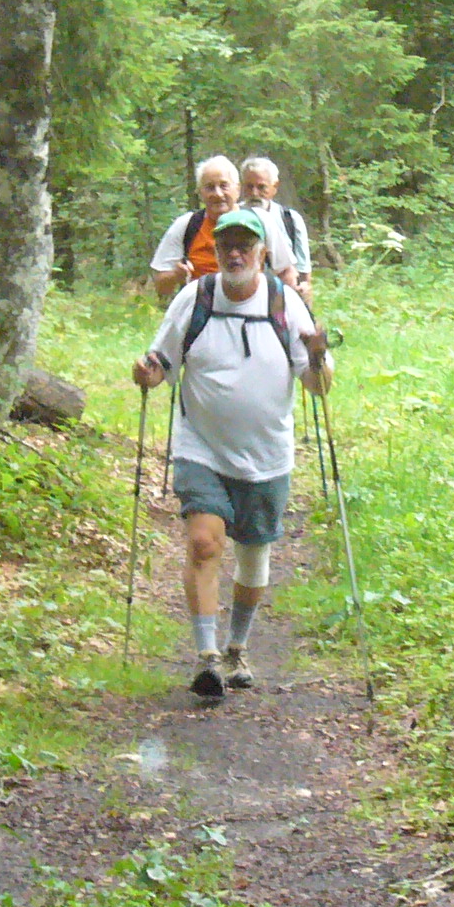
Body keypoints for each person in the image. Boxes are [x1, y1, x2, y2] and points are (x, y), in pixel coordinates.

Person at [131, 207, 328, 696]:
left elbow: (318, 386)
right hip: (201, 445)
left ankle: (237, 646)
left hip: (266, 453)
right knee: (203, 543)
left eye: (245, 246)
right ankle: (208, 658)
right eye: (226, 247)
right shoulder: (195, 297)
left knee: (254, 556)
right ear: (215, 251)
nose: (235, 254)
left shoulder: (285, 303)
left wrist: (318, 356)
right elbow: (162, 362)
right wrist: (147, 373)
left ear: (263, 253)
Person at [151, 156, 297, 298]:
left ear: (237, 189)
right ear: (200, 192)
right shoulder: (187, 225)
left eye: (224, 186)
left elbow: (285, 271)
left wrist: (286, 305)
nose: (218, 194)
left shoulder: (260, 220)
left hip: (252, 305)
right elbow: (161, 286)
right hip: (203, 306)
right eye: (210, 187)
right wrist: (176, 276)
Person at [238, 156, 312, 294]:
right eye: (249, 186)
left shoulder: (290, 220)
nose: (254, 193)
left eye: (261, 187)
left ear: (275, 187)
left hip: (282, 296)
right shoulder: (233, 217)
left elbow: (304, 274)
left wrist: (304, 296)